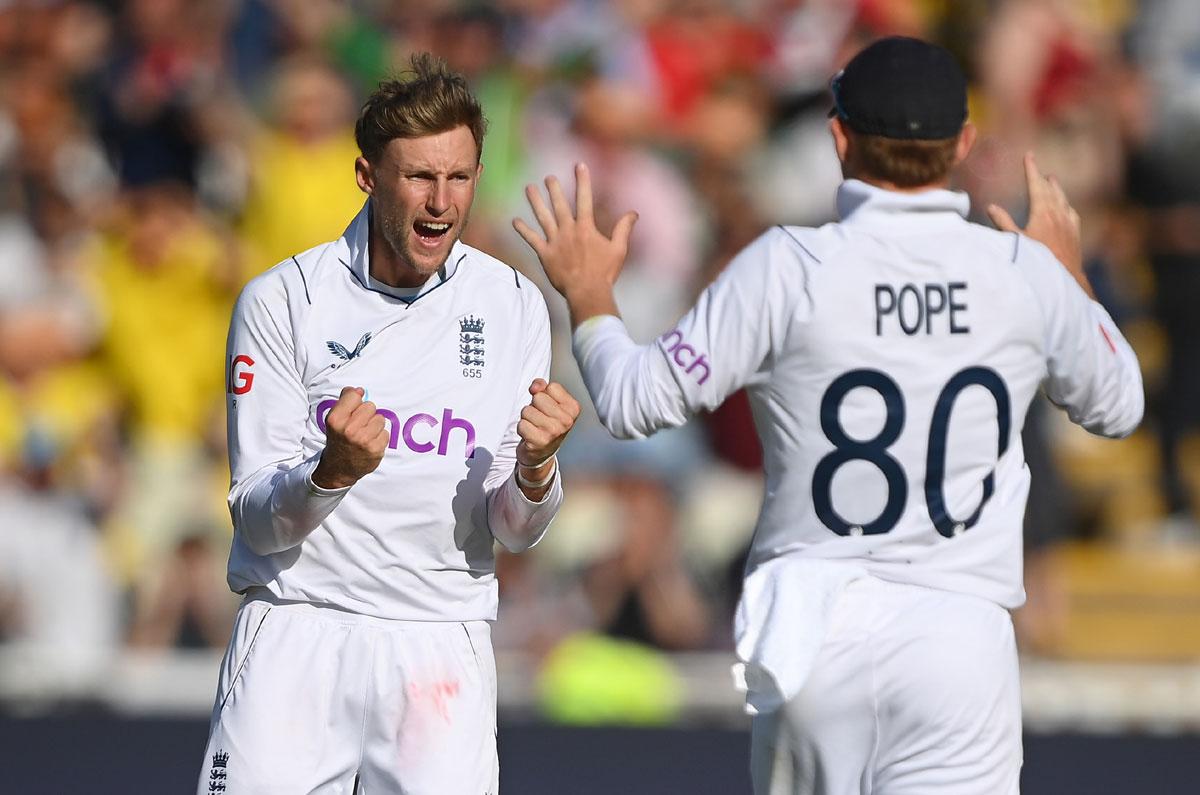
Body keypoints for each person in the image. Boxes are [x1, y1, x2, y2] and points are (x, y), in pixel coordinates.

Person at [515, 36, 1143, 794]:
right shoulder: (1022, 273)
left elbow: (629, 400)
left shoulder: (786, 266)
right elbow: (1119, 403)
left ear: (839, 137)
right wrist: (1068, 272)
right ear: (964, 143)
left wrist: (589, 299)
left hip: (815, 630)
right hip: (959, 639)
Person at [197, 54, 579, 794]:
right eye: (419, 177)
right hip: (298, 631)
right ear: (368, 176)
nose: (441, 203)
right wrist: (328, 474)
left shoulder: (511, 303)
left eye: (460, 177)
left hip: (438, 643)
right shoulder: (284, 300)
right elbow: (254, 517)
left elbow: (515, 528)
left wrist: (536, 468)